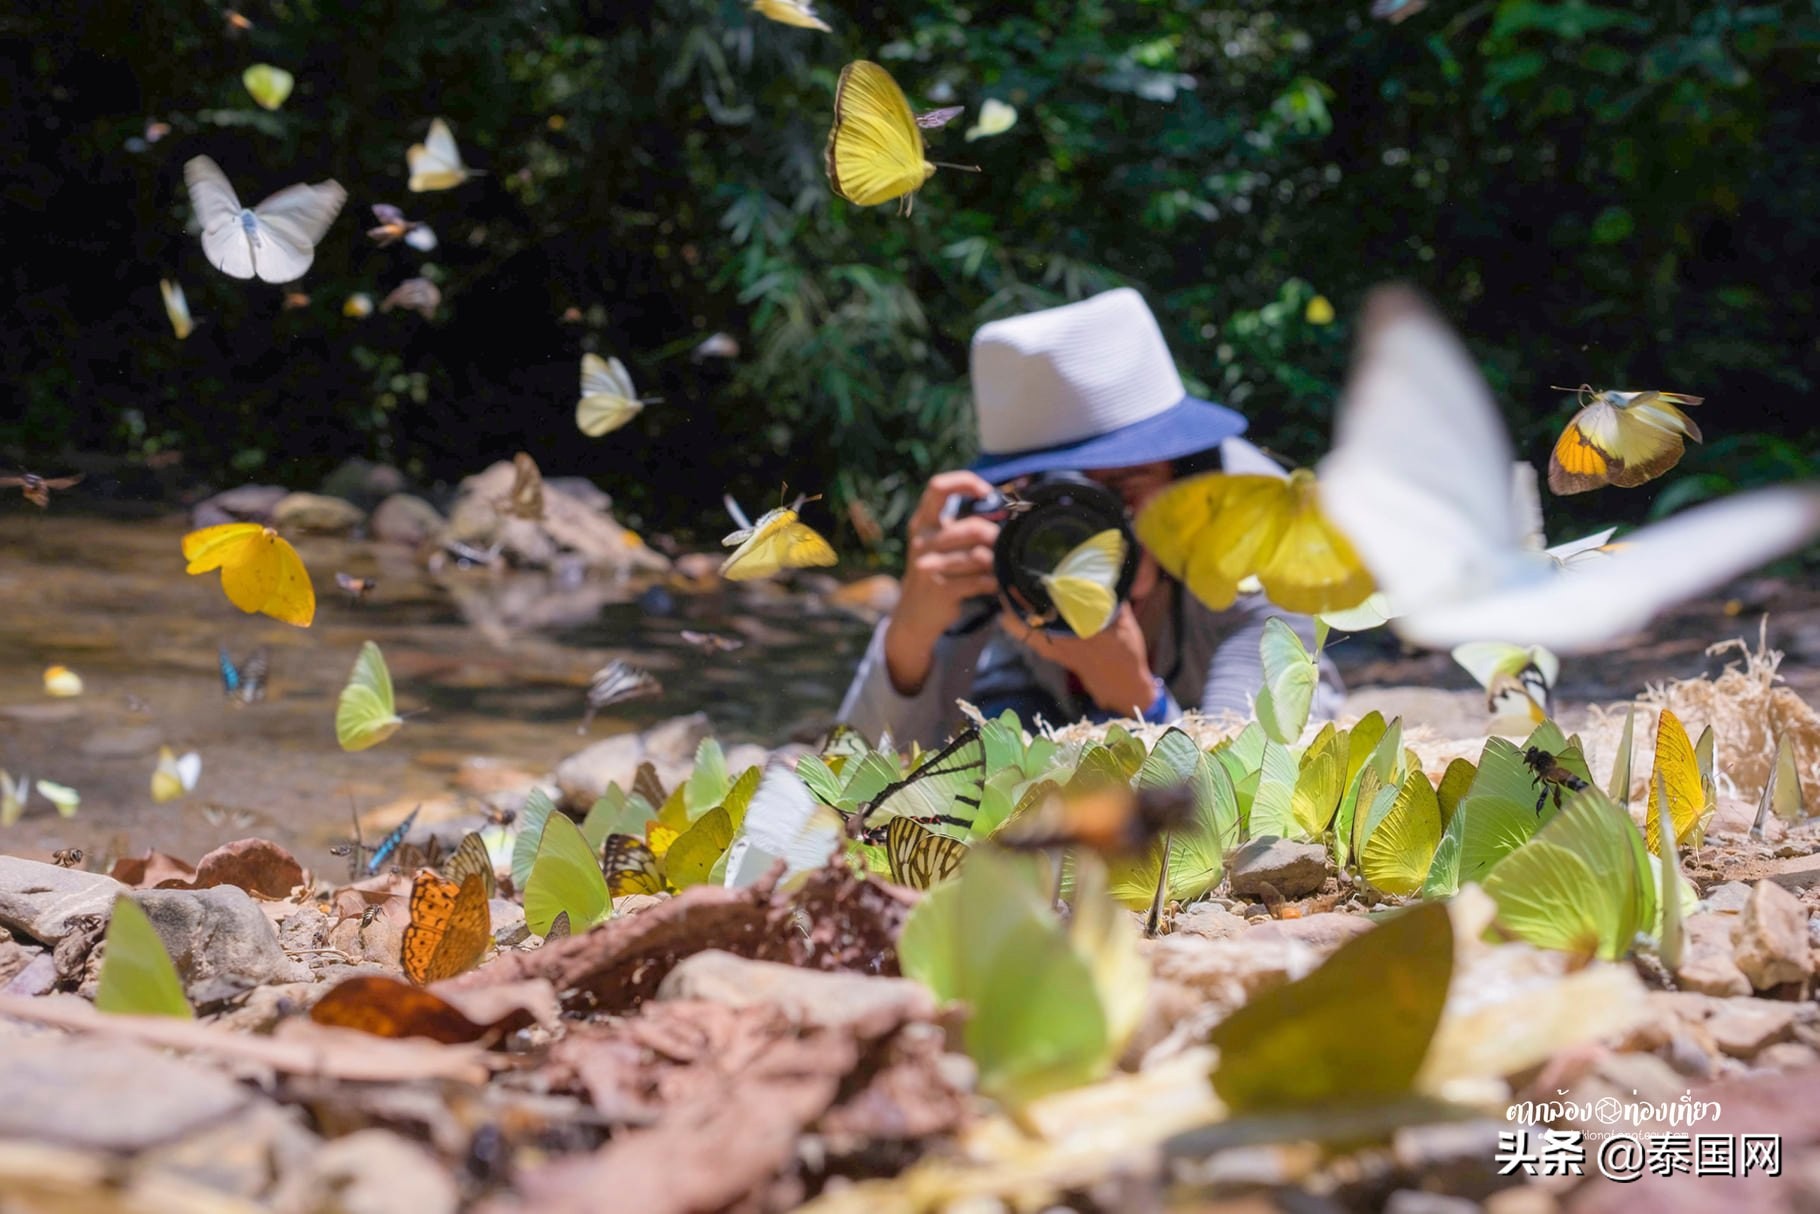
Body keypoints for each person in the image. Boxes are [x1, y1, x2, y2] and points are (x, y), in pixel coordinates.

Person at [838, 287, 1341, 748]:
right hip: (1027, 697)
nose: (1099, 523)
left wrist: (1137, 698)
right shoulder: (986, 535)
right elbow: (852, 780)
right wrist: (908, 636)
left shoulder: (1259, 538)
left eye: (1125, 485)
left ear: (1187, 477)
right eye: (1064, 498)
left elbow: (1248, 792)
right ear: (1012, 494)